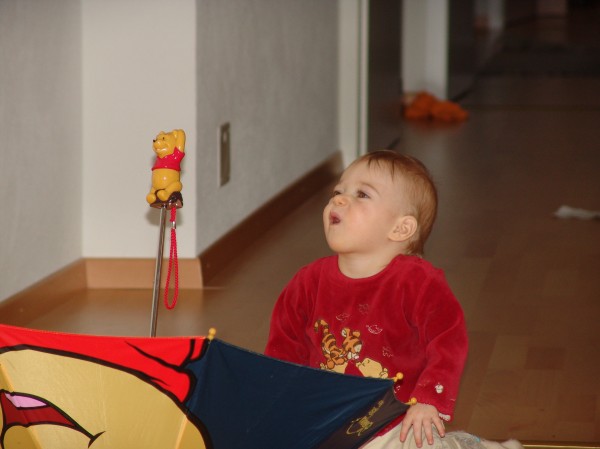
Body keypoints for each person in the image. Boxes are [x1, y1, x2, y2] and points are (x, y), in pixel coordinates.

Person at [264, 150, 469, 448]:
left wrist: (428, 400)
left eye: (362, 194)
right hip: (326, 421)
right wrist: (278, 401)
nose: (339, 200)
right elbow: (284, 349)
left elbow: (448, 341)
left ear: (400, 228)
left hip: (397, 425)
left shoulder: (418, 283)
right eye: (338, 192)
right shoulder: (307, 282)